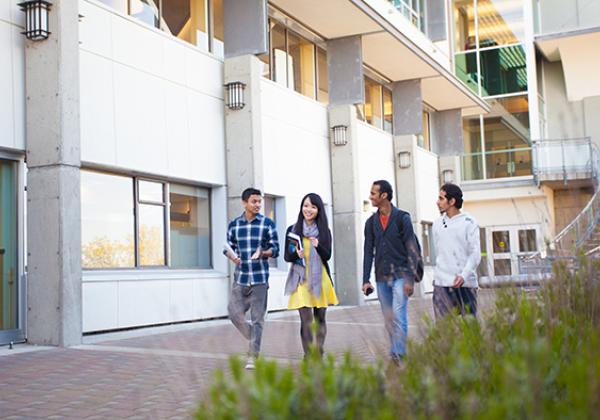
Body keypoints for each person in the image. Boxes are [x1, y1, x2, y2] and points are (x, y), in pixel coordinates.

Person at [362, 180, 420, 364]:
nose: (370, 197)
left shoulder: (402, 218)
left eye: (373, 193)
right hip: (381, 277)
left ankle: (398, 354)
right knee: (389, 319)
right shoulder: (371, 223)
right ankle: (395, 349)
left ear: (384, 195)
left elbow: (412, 248)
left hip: (402, 276)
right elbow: (368, 251)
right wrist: (365, 279)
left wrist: (410, 279)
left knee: (398, 313)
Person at [224, 187, 280, 369]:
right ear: (244, 203)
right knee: (233, 313)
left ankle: (253, 355)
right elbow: (227, 247)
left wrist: (263, 253)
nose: (257, 205)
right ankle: (254, 335)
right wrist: (233, 256)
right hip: (241, 277)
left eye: (259, 202)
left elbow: (276, 249)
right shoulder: (234, 225)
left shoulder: (267, 224)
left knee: (257, 319)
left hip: (259, 279)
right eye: (254, 201)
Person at [284, 193, 338, 358]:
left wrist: (318, 245)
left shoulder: (323, 231)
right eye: (306, 205)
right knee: (306, 321)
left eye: (313, 207)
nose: (308, 209)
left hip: (320, 279)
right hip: (301, 280)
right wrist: (296, 255)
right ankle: (308, 356)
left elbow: (327, 255)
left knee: (320, 318)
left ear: (318, 210)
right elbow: (287, 256)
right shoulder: (293, 230)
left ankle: (319, 351)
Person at [432, 183, 481, 318]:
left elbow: (475, 254)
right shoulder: (436, 224)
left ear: (452, 201)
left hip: (465, 284)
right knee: (443, 331)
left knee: (469, 329)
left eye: (441, 199)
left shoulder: (469, 222)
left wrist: (463, 276)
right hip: (441, 285)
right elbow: (440, 252)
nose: (438, 202)